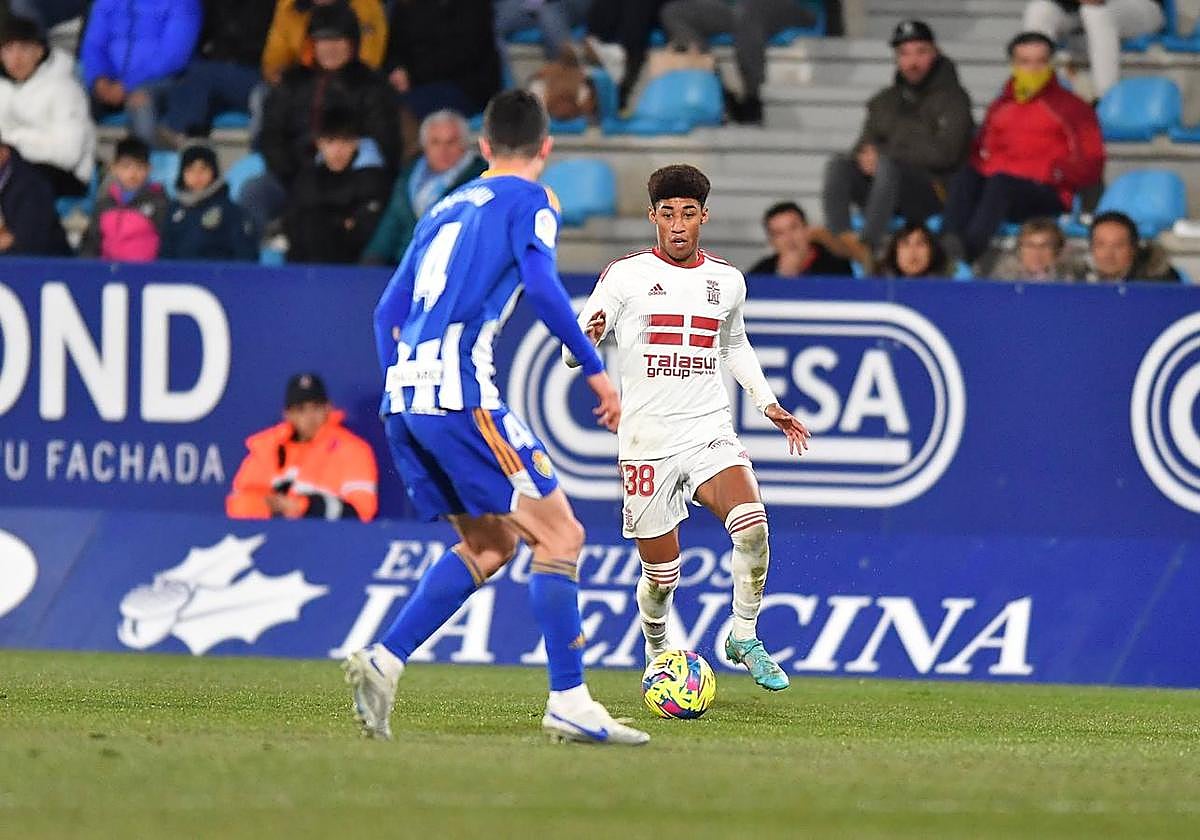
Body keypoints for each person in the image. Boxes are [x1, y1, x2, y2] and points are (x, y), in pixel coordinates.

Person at [343, 89, 648, 746]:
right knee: (561, 536)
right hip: (459, 395)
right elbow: (541, 286)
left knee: (491, 545)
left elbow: (385, 312)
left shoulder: (442, 207)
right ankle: (569, 700)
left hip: (407, 400)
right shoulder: (533, 199)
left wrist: (405, 382)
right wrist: (596, 371)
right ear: (547, 148)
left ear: (482, 147)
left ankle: (385, 661)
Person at [564, 163, 811, 691]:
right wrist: (589, 336)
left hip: (707, 430)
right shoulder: (625, 275)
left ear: (704, 217)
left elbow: (733, 344)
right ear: (653, 216)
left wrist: (768, 403)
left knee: (753, 526)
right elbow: (572, 351)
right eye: (668, 214)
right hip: (647, 440)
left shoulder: (727, 280)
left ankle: (743, 634)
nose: (678, 225)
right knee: (661, 577)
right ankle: (657, 650)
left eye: (689, 214)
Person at [940, 31, 1104, 264]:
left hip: (1047, 191)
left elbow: (1092, 161)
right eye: (1025, 62)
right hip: (999, 189)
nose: (1033, 69)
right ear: (1014, 65)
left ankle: (966, 254)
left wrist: (1056, 171)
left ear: (1051, 64)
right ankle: (946, 245)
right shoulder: (1001, 106)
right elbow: (980, 150)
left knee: (1001, 184)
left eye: (1040, 61)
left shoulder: (1072, 108)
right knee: (966, 176)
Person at [823, 20, 973, 262]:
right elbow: (863, 146)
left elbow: (946, 154)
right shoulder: (886, 100)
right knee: (839, 165)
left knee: (888, 165)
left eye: (921, 52)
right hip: (885, 189)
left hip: (933, 192)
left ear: (935, 53)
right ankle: (840, 242)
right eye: (904, 53)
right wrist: (865, 158)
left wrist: (886, 154)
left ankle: (867, 246)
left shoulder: (954, 99)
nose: (913, 61)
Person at [243, 3, 398, 236]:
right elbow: (272, 135)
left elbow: (384, 142)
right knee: (255, 193)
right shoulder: (291, 83)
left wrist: (338, 170)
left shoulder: (371, 86)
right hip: (293, 176)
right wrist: (292, 173)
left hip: (352, 181)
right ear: (311, 44)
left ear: (352, 43)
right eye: (322, 40)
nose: (329, 48)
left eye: (337, 40)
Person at [226, 372, 379, 522]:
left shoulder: (353, 450)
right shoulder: (267, 449)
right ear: (287, 414)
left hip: (330, 536)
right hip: (274, 536)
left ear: (328, 408)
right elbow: (238, 506)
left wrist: (304, 506)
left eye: (316, 408)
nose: (309, 417)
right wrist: (269, 506)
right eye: (300, 410)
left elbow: (363, 511)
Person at [362, 109, 486, 265]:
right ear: (424, 146)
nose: (443, 150)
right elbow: (389, 227)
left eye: (451, 142)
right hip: (405, 265)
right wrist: (371, 260)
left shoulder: (479, 179)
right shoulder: (408, 177)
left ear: (464, 144)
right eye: (435, 142)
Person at [660, 0, 816, 123]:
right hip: (734, 9)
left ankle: (754, 100)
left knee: (750, 11)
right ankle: (719, 91)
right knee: (675, 12)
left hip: (786, 8)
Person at [80, 0, 202, 146]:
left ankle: (147, 158)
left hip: (164, 80)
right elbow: (93, 46)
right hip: (109, 82)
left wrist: (126, 85)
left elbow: (173, 57)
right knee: (71, 99)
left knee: (140, 102)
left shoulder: (182, 3)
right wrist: (99, 80)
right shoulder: (106, 3)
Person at [157, 0, 277, 145]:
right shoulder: (214, 4)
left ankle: (177, 131)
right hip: (218, 74)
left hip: (258, 75)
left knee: (201, 75)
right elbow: (199, 38)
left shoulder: (268, 5)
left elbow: (267, 49)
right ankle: (187, 141)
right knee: (175, 85)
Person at [0, 15, 95, 198]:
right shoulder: (2, 89)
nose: (16, 57)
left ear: (39, 51)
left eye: (24, 48)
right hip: (13, 170)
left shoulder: (65, 89)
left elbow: (68, 155)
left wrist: (14, 144)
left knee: (20, 181)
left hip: (64, 177)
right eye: (8, 49)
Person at [284, 107, 389, 264]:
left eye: (345, 141)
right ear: (319, 143)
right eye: (331, 142)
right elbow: (293, 223)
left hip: (352, 267)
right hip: (304, 266)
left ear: (356, 143)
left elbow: (365, 230)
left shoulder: (372, 179)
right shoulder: (307, 178)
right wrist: (341, 222)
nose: (338, 150)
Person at [383, 0, 502, 120]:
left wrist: (411, 75)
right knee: (381, 103)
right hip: (418, 85)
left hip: (466, 86)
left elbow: (463, 54)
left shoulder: (473, 5)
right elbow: (393, 46)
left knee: (400, 112)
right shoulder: (407, 6)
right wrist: (397, 68)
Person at [1023, 0, 1165, 99]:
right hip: (1078, 9)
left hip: (1140, 7)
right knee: (1039, 10)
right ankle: (1034, 95)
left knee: (1096, 13)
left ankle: (1105, 99)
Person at [160, 144, 257, 261]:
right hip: (178, 272)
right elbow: (165, 252)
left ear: (214, 172)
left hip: (217, 272)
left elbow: (245, 255)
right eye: (190, 170)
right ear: (182, 174)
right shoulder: (174, 209)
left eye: (203, 169)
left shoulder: (230, 211)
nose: (197, 175)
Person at [79, 135, 168, 262]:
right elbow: (91, 242)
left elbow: (167, 245)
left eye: (140, 167)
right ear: (114, 168)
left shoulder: (159, 203)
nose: (133, 173)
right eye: (126, 166)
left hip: (144, 271)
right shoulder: (104, 204)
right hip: (108, 271)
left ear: (149, 169)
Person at [261, 0, 387, 84]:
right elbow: (275, 58)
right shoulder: (288, 6)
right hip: (301, 83)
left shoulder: (366, 6)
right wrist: (281, 77)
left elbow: (369, 60)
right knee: (262, 96)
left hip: (349, 87)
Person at [0, 135, 69, 255]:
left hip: (47, 263)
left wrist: (8, 240)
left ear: (3, 151)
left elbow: (27, 241)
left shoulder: (32, 185)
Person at [747, 201, 852, 277]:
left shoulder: (837, 266)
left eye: (793, 228)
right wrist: (782, 277)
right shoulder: (761, 273)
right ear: (772, 242)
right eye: (779, 233)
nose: (789, 238)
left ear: (807, 229)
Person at [1075, 210, 1181, 283]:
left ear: (1133, 248)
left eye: (1118, 245)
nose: (1108, 255)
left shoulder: (1160, 282)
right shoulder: (1075, 279)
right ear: (1091, 247)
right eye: (1100, 245)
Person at [988, 217, 1075, 282]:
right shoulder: (1003, 279)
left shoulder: (1068, 280)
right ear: (1019, 249)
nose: (1036, 252)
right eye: (1030, 246)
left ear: (1057, 250)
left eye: (1044, 246)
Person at [880, 222, 949, 279]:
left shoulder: (947, 286)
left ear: (932, 251)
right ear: (895, 252)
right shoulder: (882, 287)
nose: (913, 251)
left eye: (920, 243)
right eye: (905, 244)